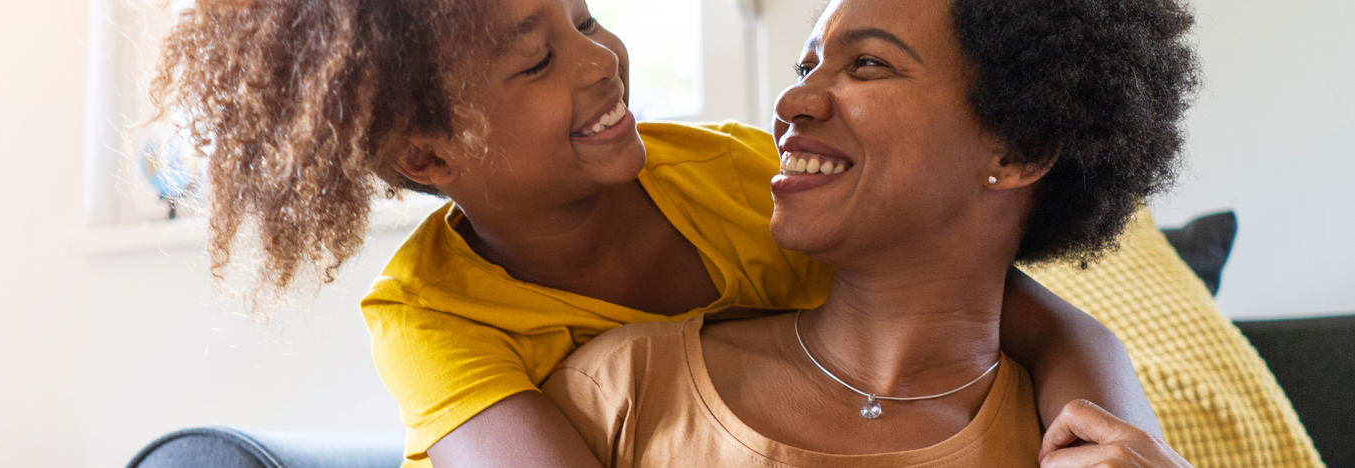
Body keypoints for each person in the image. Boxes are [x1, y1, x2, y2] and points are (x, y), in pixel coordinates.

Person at [151, 0, 1159, 466]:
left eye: (585, 20)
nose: (598, 61)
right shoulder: (432, 318)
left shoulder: (733, 179)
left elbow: (1041, 324)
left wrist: (1118, 441)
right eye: (534, 62)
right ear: (428, 157)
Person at [541, 0, 1200, 465]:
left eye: (866, 65)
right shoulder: (624, 386)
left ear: (1017, 151)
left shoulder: (1085, 448)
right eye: (807, 67)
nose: (791, 102)